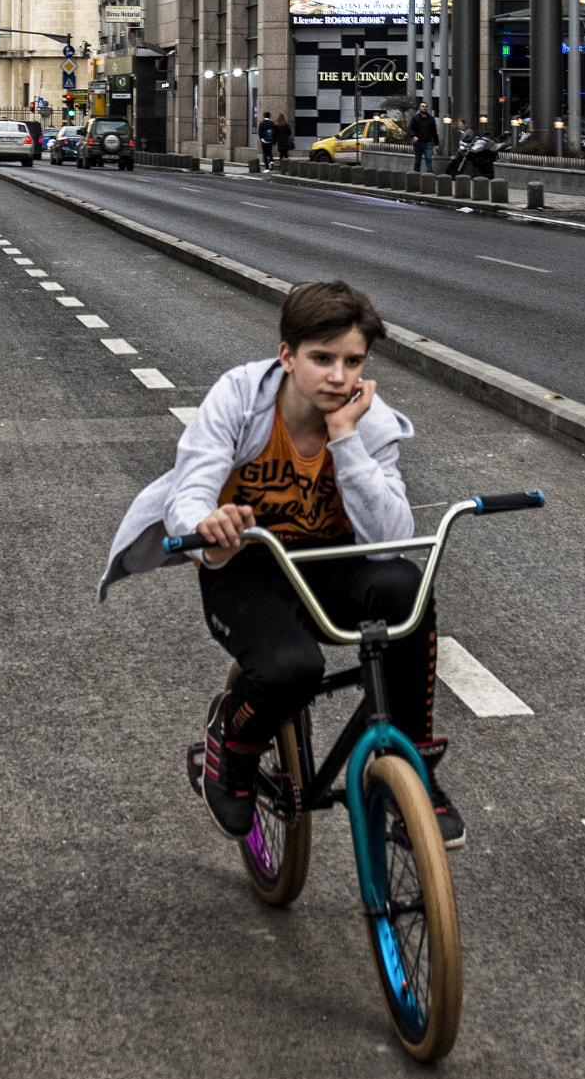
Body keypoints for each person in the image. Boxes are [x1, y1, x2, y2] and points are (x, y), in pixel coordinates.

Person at [99, 279, 462, 849]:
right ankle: (233, 742)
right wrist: (207, 532)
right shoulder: (240, 398)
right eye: (321, 359)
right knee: (292, 671)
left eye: (352, 361)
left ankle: (413, 763)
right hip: (249, 566)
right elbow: (189, 492)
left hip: (332, 564)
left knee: (405, 586)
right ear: (287, 356)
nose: (339, 377)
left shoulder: (366, 418)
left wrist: (346, 438)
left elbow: (389, 539)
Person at [410, 97, 439, 173]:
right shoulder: (415, 118)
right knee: (417, 160)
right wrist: (413, 136)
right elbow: (410, 129)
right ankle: (416, 175)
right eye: (422, 106)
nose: (424, 108)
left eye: (425, 106)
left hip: (428, 143)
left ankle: (430, 175)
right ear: (420, 108)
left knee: (428, 159)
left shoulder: (431, 119)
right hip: (418, 143)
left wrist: (436, 143)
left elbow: (434, 131)